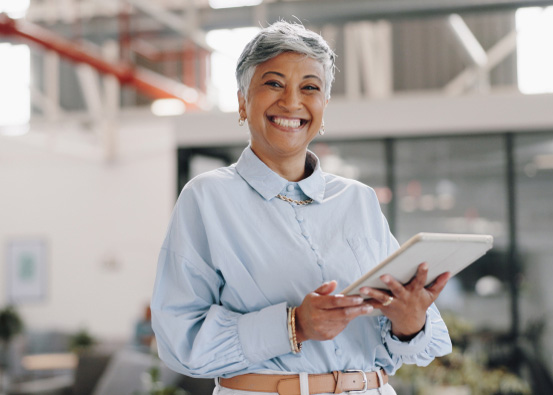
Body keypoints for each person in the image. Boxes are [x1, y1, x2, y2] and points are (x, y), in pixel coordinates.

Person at [151, 21, 452, 395]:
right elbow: (180, 341)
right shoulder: (207, 198)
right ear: (243, 101)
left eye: (310, 87)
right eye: (274, 83)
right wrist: (293, 326)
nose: (292, 102)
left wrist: (411, 321)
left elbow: (422, 344)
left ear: (324, 105)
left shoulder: (358, 200)